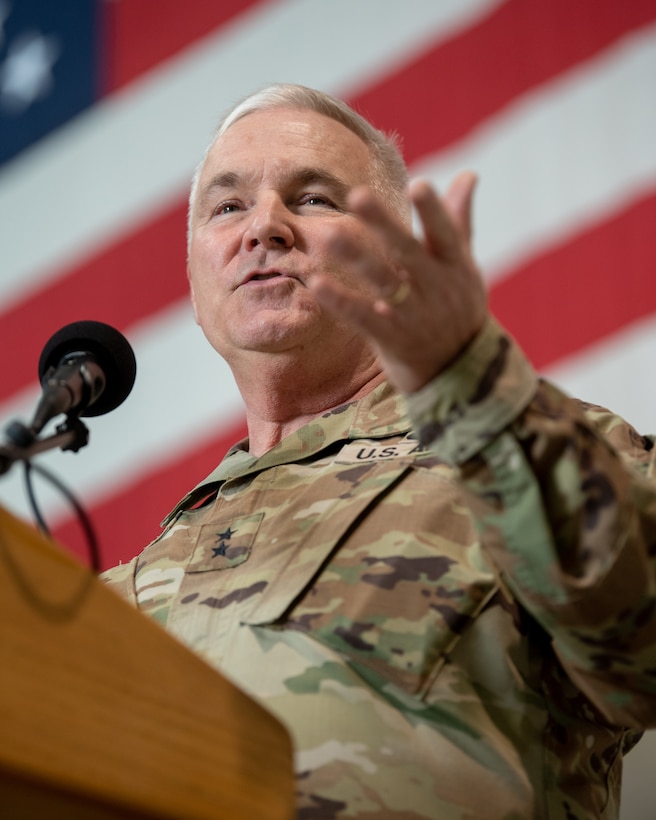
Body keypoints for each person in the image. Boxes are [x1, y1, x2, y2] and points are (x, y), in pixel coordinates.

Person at [102, 83, 656, 819]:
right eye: (229, 206)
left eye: (314, 199)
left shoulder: (522, 446)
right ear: (196, 276)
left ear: (397, 262)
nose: (262, 227)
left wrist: (477, 393)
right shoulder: (122, 590)